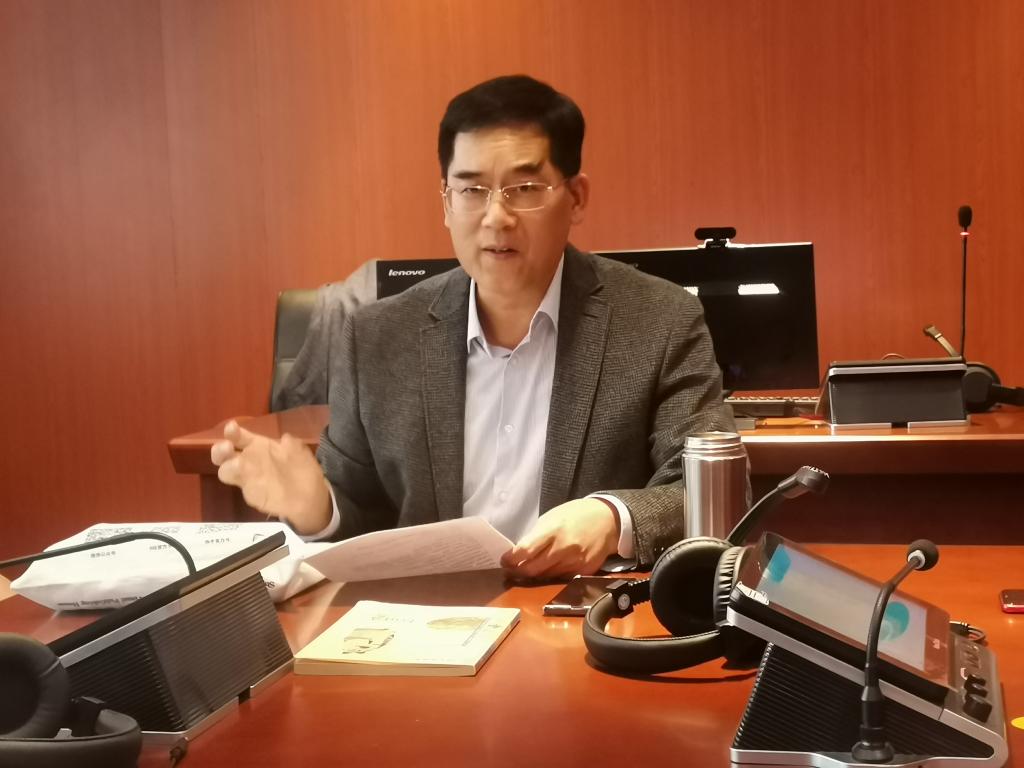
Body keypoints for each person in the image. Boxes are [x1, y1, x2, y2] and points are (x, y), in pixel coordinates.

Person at [212, 74, 735, 579]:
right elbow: (361, 516)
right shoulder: (375, 338)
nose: (496, 217)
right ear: (446, 202)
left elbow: (712, 490)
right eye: (472, 190)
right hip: (429, 621)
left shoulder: (659, 321)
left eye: (524, 188)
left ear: (576, 197)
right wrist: (318, 509)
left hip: (580, 615)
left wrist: (614, 518)